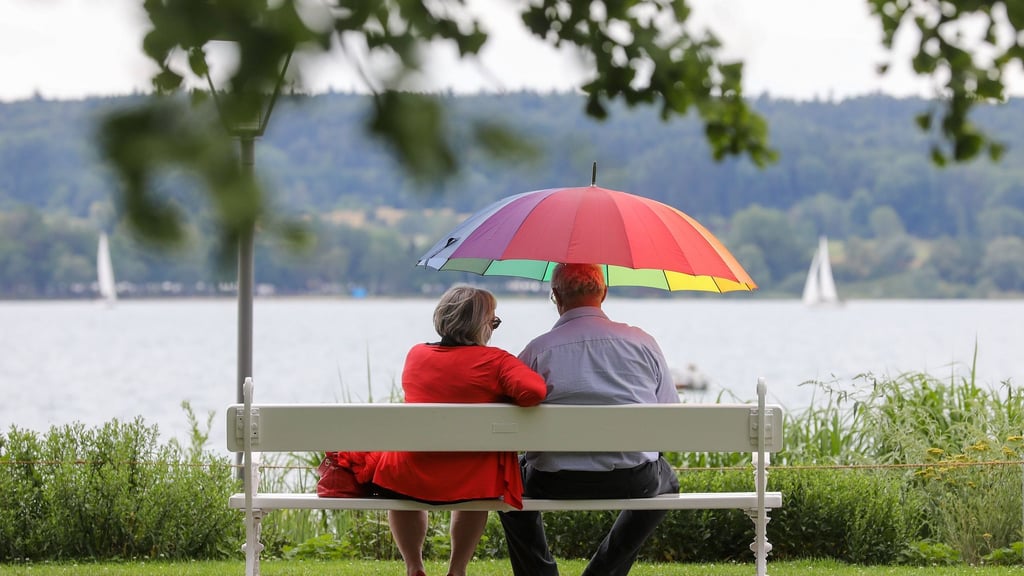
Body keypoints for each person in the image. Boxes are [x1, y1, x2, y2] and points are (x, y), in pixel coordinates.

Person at [498, 263, 680, 576]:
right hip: (632, 478)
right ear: (604, 293)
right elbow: (670, 413)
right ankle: (602, 573)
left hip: (551, 481)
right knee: (668, 483)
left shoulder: (537, 351)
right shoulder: (643, 343)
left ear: (555, 296)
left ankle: (540, 573)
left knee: (507, 485)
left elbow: (507, 420)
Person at [365, 285, 547, 576]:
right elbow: (535, 391)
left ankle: (414, 567)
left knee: (401, 470)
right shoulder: (496, 362)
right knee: (478, 474)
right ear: (479, 325)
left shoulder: (416, 356)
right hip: (470, 477)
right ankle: (457, 569)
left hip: (411, 473)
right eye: (493, 322)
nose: (493, 330)